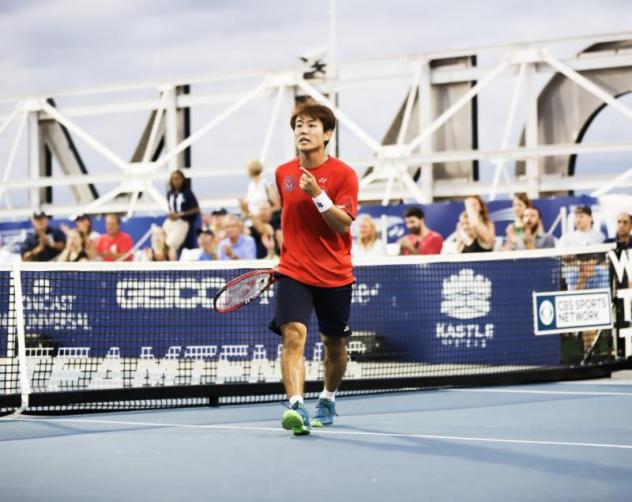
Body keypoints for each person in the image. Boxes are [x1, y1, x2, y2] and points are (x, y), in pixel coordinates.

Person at [270, 99, 358, 436]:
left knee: (334, 345)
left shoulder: (344, 175)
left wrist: (319, 194)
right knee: (294, 335)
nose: (302, 131)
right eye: (298, 126)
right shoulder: (282, 173)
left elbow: (342, 225)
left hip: (335, 274)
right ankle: (295, 406)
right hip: (293, 270)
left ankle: (328, 398)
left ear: (327, 134)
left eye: (310, 125)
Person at [163, 169, 200, 252]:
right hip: (171, 222)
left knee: (171, 245)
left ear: (183, 179)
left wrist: (181, 214)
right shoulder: (169, 194)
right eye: (174, 179)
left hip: (183, 222)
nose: (176, 181)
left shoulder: (188, 193)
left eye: (178, 178)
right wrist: (170, 214)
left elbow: (196, 209)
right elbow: (171, 208)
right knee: (161, 240)